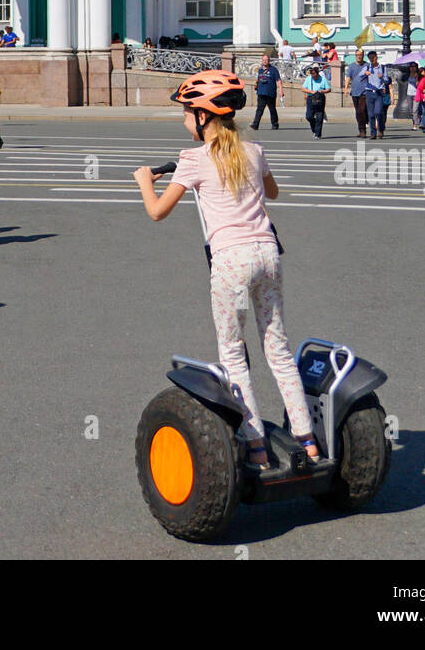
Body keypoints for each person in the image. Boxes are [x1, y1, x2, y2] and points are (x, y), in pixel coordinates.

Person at [133, 72, 320, 468]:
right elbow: (272, 193)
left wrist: (145, 181)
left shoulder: (193, 160)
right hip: (267, 255)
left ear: (203, 117)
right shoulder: (254, 150)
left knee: (234, 355)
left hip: (232, 262)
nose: (184, 119)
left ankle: (256, 447)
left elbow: (156, 212)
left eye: (187, 112)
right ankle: (307, 440)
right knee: (278, 348)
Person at [251, 53, 283, 130]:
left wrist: (281, 90)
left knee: (272, 109)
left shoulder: (273, 69)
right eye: (264, 60)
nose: (265, 61)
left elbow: (279, 80)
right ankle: (255, 124)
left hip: (270, 93)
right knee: (259, 109)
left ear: (269, 61)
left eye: (266, 60)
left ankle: (275, 124)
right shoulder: (260, 70)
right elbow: (258, 79)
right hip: (261, 92)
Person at [344, 48, 370, 138]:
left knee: (362, 110)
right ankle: (361, 129)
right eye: (357, 55)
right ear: (355, 56)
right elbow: (348, 77)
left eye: (360, 55)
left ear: (363, 55)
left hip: (365, 91)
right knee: (358, 112)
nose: (359, 56)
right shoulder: (351, 66)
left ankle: (363, 130)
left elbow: (373, 76)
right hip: (355, 92)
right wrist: (346, 88)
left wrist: (369, 73)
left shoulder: (367, 65)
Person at [364, 51, 390, 139]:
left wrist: (381, 77)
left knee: (378, 112)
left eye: (373, 57)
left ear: (376, 57)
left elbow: (387, 81)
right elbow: (360, 75)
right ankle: (373, 133)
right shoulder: (367, 67)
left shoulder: (382, 68)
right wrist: (365, 73)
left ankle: (381, 129)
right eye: (370, 58)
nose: (372, 59)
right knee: (371, 114)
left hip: (379, 92)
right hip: (369, 92)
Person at [302, 62, 330, 138]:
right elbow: (303, 88)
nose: (313, 76)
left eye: (314, 74)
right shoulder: (309, 79)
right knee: (309, 116)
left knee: (319, 116)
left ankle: (318, 134)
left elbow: (328, 89)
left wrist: (323, 91)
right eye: (312, 74)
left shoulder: (323, 79)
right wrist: (310, 91)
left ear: (318, 73)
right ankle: (314, 128)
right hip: (311, 97)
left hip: (320, 98)